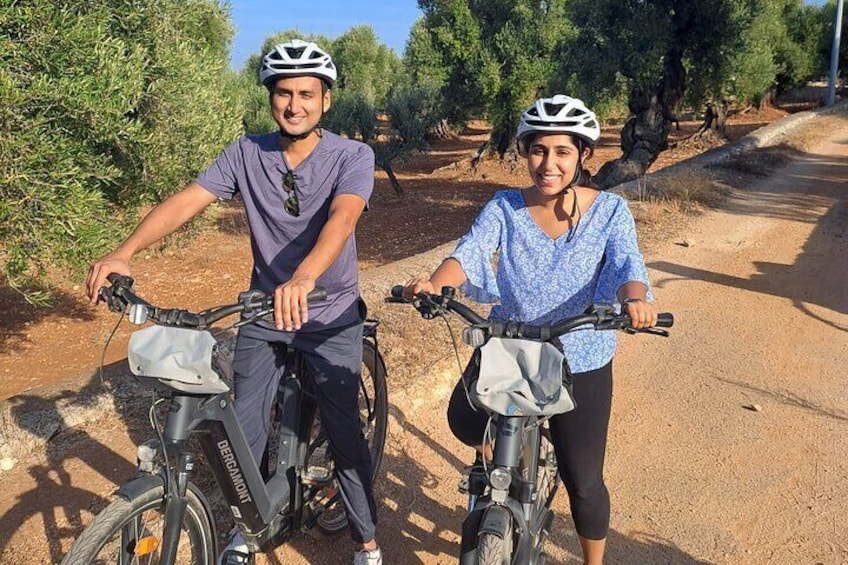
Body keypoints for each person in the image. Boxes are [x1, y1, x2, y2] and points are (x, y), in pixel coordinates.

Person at [86, 39, 382, 565]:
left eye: (306, 94)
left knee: (343, 435)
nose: (295, 105)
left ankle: (366, 543)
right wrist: (124, 251)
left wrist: (306, 276)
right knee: (240, 425)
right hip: (263, 312)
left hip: (330, 311)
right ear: (270, 97)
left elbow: (343, 218)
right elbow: (187, 200)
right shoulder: (247, 153)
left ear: (326, 100)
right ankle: (248, 527)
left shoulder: (352, 156)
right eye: (284, 93)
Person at [403, 94, 658, 565]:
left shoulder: (609, 212)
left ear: (583, 155)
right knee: (463, 417)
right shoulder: (505, 207)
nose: (549, 163)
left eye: (563, 151)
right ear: (524, 152)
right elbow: (470, 251)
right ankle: (508, 465)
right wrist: (437, 284)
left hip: (579, 355)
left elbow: (627, 264)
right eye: (538, 150)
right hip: (511, 347)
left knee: (583, 480)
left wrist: (635, 300)